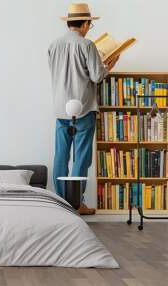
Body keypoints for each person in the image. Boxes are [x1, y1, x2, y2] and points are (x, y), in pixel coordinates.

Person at [48, 3, 119, 215]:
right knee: (81, 158)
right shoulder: (87, 45)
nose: (89, 28)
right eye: (90, 24)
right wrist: (108, 66)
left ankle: (62, 204)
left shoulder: (54, 45)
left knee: (61, 156)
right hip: (84, 108)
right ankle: (76, 205)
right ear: (85, 23)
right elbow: (97, 76)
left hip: (61, 110)